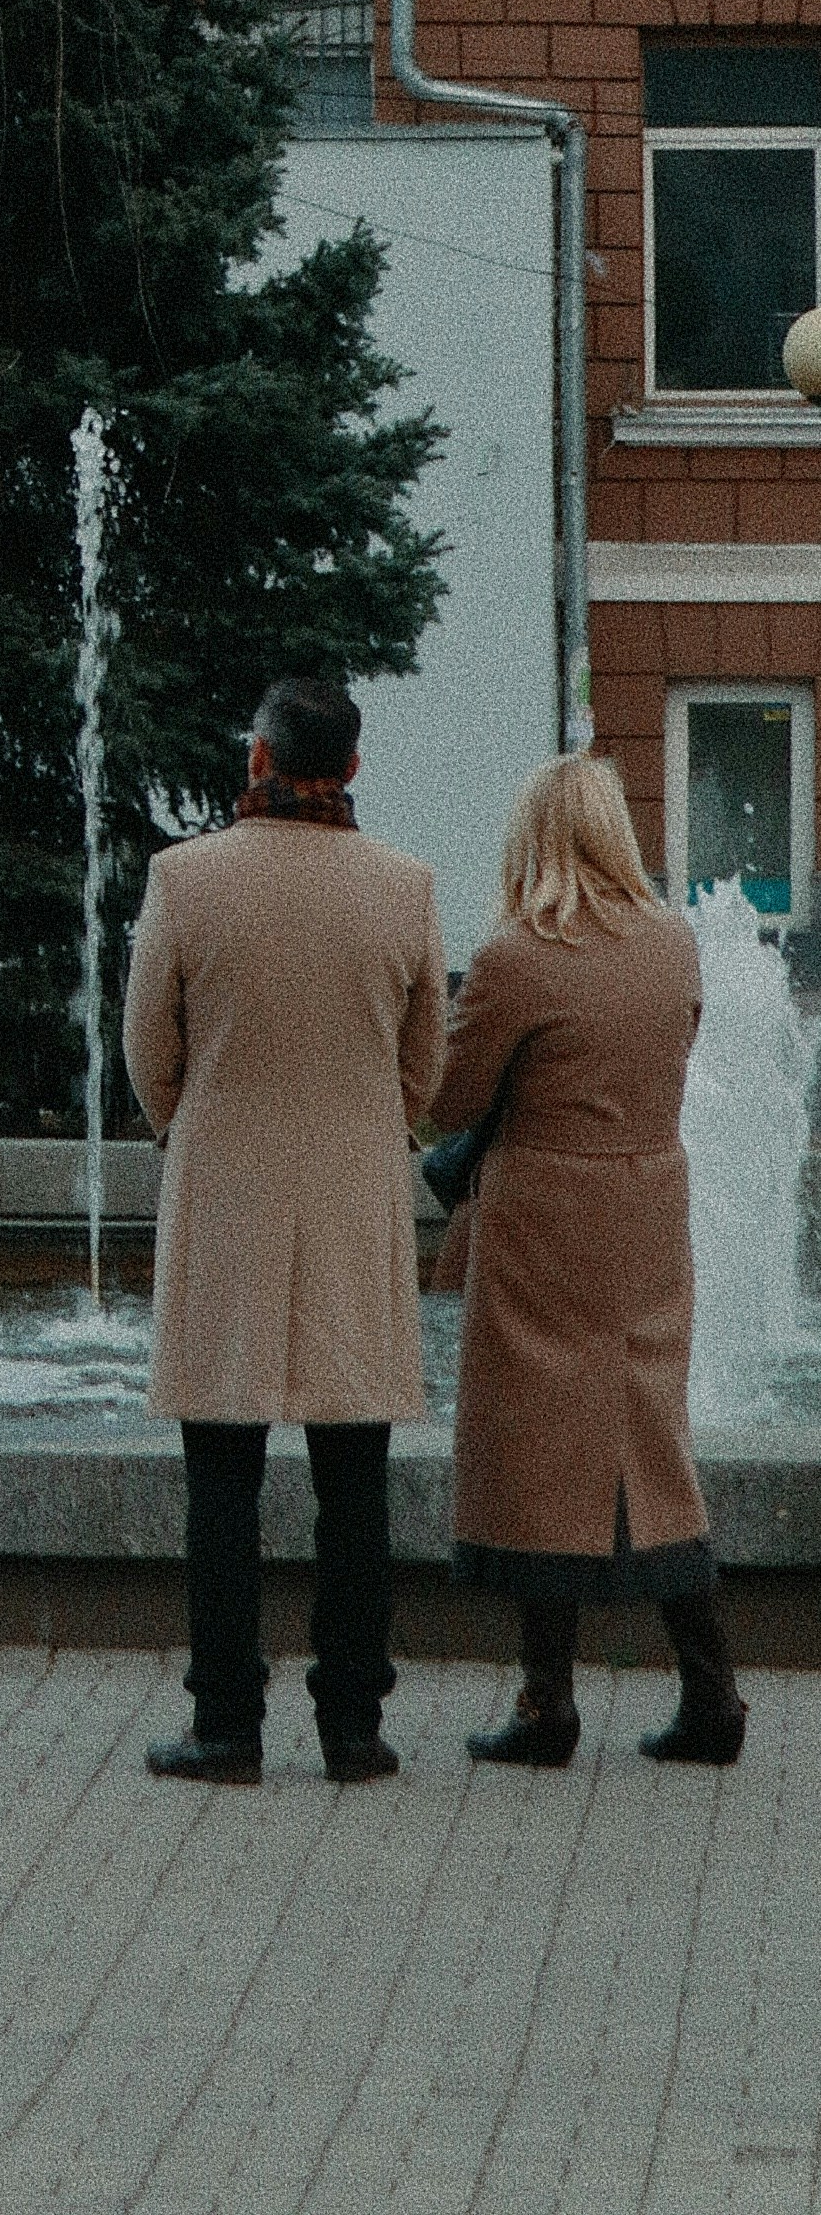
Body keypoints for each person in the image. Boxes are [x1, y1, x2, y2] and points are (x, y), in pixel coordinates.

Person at [121, 666, 447, 1785]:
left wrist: (201, 1128)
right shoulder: (403, 889)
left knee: (219, 1483)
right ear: (351, 767)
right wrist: (362, 1132)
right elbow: (423, 1071)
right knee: (353, 1486)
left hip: (223, 1209)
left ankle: (224, 1726)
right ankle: (351, 1727)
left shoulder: (183, 881)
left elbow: (144, 1058)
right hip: (354, 1209)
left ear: (255, 758)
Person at [428, 749, 742, 1772]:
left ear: (535, 836)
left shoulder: (519, 955)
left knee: (534, 1448)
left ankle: (544, 1705)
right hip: (646, 1208)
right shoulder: (671, 942)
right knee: (647, 1440)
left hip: (543, 1219)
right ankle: (710, 1695)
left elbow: (445, 1099)